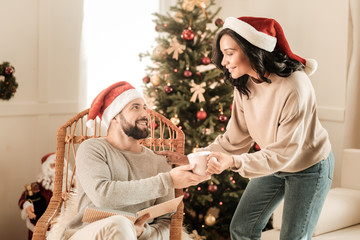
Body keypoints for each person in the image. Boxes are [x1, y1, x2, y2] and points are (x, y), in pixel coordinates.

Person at [160, 17, 334, 240]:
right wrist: (193, 159)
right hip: (272, 160)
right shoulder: (244, 84)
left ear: (252, 50)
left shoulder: (295, 87)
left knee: (293, 237)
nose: (224, 61)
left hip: (309, 166)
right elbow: (234, 140)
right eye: (223, 54)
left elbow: (284, 154)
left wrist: (233, 162)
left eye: (229, 53)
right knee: (242, 228)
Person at [62, 81, 209, 240]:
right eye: (135, 107)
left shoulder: (158, 161)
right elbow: (102, 196)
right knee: (119, 224)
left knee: (123, 227)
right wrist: (168, 180)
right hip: (89, 234)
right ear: (115, 116)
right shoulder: (92, 149)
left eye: (145, 107)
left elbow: (168, 222)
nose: (145, 114)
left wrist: (143, 232)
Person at [18, 153, 57, 240]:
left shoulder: (72, 185)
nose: (57, 169)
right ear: (46, 168)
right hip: (39, 228)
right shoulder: (37, 186)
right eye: (53, 165)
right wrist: (27, 206)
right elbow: (23, 199)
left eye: (60, 165)